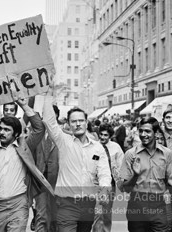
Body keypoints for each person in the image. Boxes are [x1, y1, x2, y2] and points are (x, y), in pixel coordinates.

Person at [0, 96, 53, 232]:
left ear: (16, 134)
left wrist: (25, 106)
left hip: (19, 205)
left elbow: (39, 129)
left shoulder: (25, 147)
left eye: (7, 130)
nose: (2, 132)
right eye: (1, 129)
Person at [42, 84, 111, 232]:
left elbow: (104, 172)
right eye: (73, 121)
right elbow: (49, 121)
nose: (78, 124)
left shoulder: (98, 147)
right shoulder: (63, 141)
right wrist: (47, 95)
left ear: (86, 123)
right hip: (67, 204)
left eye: (81, 120)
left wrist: (105, 189)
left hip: (88, 205)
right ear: (68, 124)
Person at [120, 116, 172, 232]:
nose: (143, 134)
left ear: (156, 132)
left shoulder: (167, 154)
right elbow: (125, 188)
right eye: (141, 131)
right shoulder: (130, 155)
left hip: (159, 206)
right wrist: (136, 175)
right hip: (137, 206)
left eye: (147, 131)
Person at [92, 123, 124, 232]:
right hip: (96, 184)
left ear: (110, 136)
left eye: (105, 135)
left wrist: (121, 180)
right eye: (101, 134)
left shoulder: (116, 147)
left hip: (111, 185)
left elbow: (121, 165)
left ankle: (106, 230)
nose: (102, 137)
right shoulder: (94, 146)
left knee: (106, 212)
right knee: (98, 212)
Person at [33, 105, 60, 232]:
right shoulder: (36, 136)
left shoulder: (65, 137)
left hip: (58, 184)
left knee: (56, 218)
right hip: (40, 184)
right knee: (41, 216)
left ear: (57, 117)